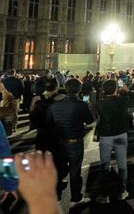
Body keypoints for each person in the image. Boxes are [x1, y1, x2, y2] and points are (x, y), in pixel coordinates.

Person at [48, 78, 94, 207]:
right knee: (75, 170)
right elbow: (90, 120)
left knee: (58, 169)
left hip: (59, 142)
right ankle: (75, 197)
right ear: (79, 89)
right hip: (74, 141)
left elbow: (49, 122)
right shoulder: (81, 104)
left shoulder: (55, 105)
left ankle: (57, 197)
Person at [94, 79, 134, 203]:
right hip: (121, 135)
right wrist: (128, 90)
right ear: (116, 89)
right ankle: (123, 190)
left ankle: (104, 194)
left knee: (105, 165)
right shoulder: (123, 100)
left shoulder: (100, 103)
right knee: (122, 164)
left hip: (106, 136)